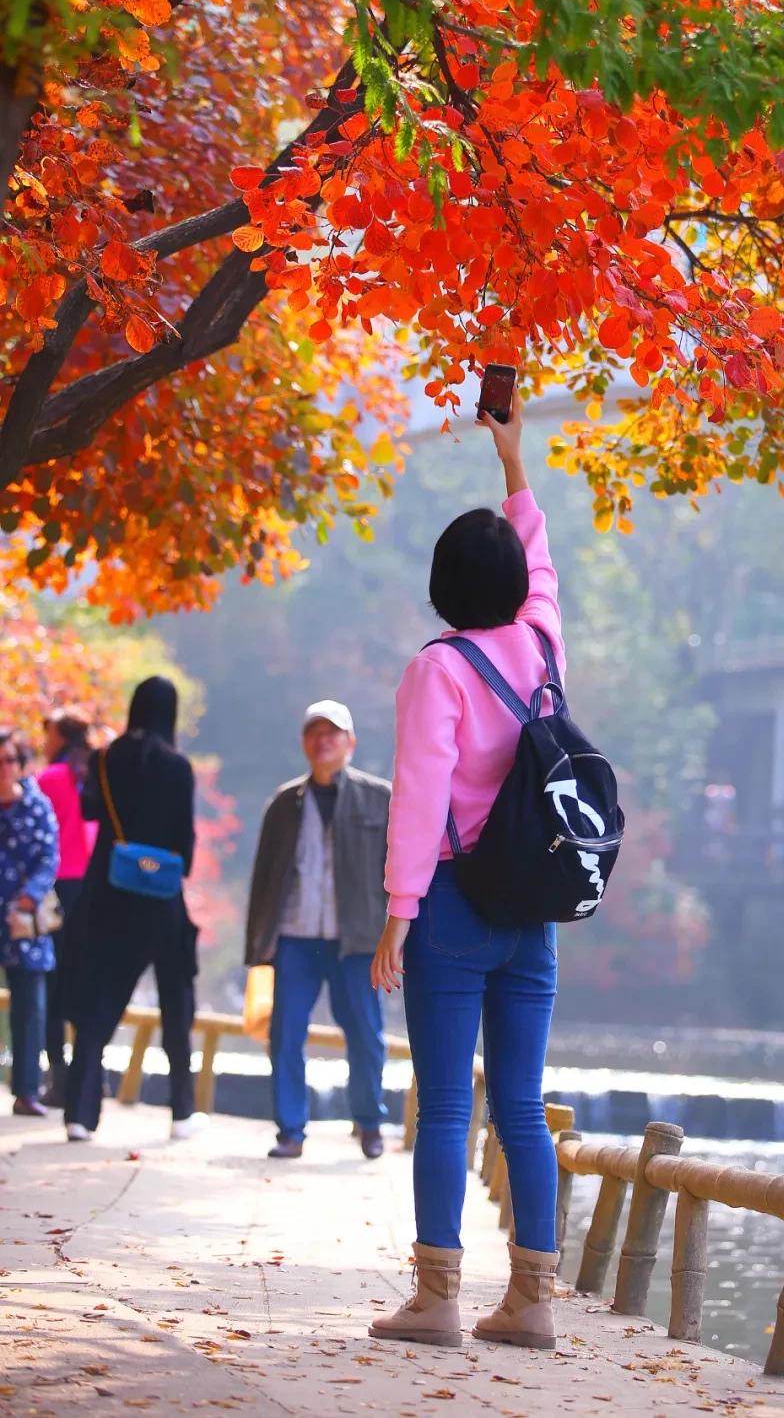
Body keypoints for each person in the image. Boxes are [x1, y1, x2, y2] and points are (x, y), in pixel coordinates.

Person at [369, 390, 563, 1352]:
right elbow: (548, 574)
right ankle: (533, 1305)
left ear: (444, 580)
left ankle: (438, 1299)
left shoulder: (436, 670)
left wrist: (398, 914)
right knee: (522, 1107)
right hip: (533, 903)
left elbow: (417, 794)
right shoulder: (540, 646)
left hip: (450, 900)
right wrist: (515, 466)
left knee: (448, 1101)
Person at [245, 701, 391, 1161]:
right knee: (286, 1032)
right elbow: (263, 877)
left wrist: (400, 935)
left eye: (333, 733)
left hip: (359, 939)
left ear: (351, 743)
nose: (323, 740)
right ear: (304, 742)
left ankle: (369, 1123)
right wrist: (258, 947)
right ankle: (290, 1129)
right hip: (295, 935)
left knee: (365, 1034)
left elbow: (403, 872)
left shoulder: (380, 798)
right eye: (315, 732)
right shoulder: (284, 803)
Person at [63, 678, 198, 1143]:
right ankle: (182, 1110)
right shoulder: (179, 767)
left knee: (101, 1000)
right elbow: (185, 843)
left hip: (109, 895)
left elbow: (87, 811)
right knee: (176, 1001)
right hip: (161, 902)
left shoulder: (105, 758)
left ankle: (79, 1112)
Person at [36, 708, 96, 1106]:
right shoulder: (96, 777)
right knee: (89, 982)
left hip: (55, 888)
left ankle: (59, 1077)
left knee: (52, 983)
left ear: (59, 737)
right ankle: (92, 1076)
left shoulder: (48, 780)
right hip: (94, 890)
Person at [1, 730, 60, 1116]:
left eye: (8, 760)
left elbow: (48, 856)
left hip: (23, 917)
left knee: (31, 1006)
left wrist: (28, 897)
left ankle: (27, 1090)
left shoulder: (37, 805)